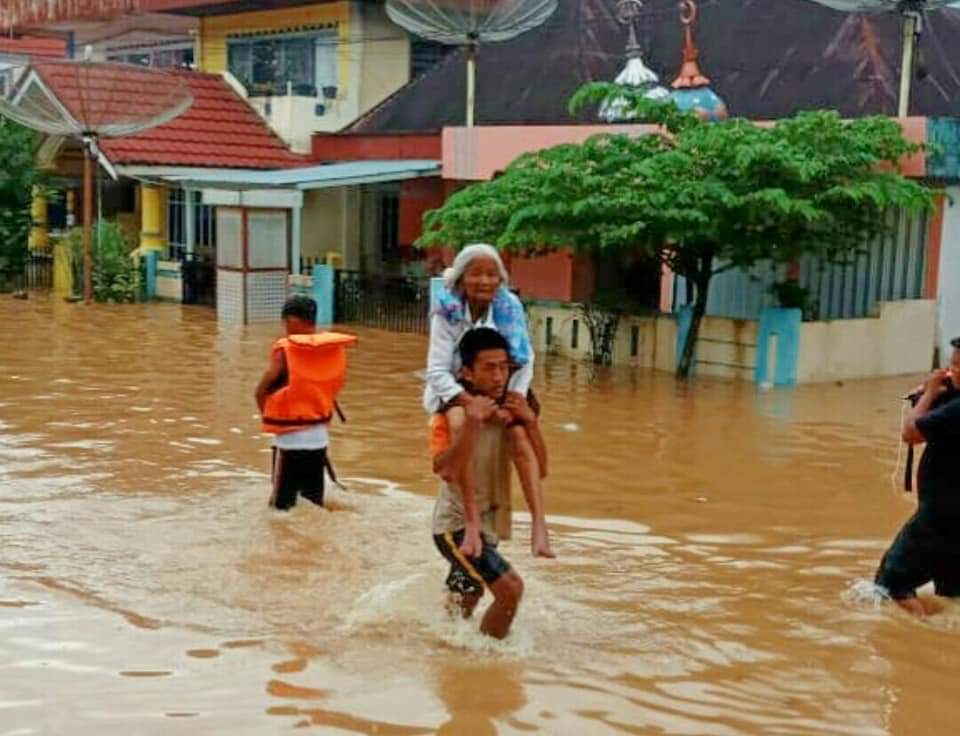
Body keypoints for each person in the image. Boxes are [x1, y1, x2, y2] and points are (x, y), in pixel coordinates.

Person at [424, 244, 554, 559]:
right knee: (459, 424)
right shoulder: (446, 310)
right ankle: (471, 521)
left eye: (491, 274)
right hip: (458, 384)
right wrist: (468, 402)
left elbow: (525, 358)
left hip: (505, 382)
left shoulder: (509, 307)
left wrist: (517, 400)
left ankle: (539, 524)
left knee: (520, 433)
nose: (484, 281)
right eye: (476, 273)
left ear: (501, 279)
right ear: (461, 278)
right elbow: (437, 370)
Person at [430, 328, 551, 640]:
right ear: (467, 373)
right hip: (454, 525)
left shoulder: (516, 405)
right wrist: (473, 422)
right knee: (510, 589)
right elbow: (446, 470)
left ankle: (445, 655)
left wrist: (531, 421)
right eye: (489, 368)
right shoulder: (453, 411)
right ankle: (487, 660)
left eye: (504, 367)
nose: (499, 377)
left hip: (490, 524)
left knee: (465, 598)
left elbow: (542, 469)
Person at [875, 336, 960, 616]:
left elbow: (911, 433)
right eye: (952, 365)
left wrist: (928, 395)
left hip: (941, 519)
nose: (952, 372)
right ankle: (946, 650)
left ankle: (922, 644)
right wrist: (933, 394)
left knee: (890, 585)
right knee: (951, 595)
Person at [254, 295, 356, 511]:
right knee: (312, 503)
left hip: (290, 443)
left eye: (284, 322)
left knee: (279, 509)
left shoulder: (285, 351)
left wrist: (274, 421)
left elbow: (260, 391)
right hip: (319, 440)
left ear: (291, 320)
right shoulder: (331, 350)